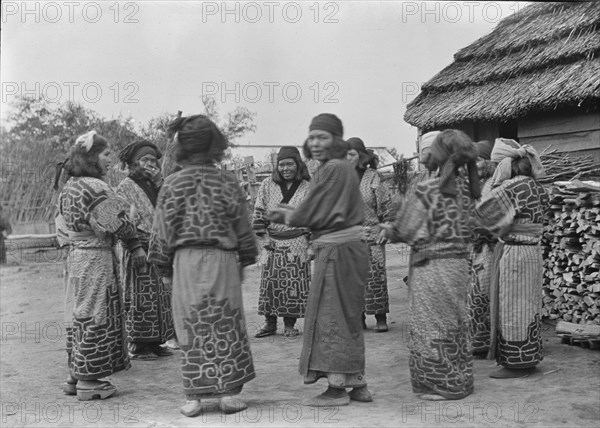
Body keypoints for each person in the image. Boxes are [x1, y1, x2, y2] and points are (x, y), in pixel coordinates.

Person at [148, 114, 258, 417]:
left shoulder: (171, 183)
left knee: (191, 322)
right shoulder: (226, 181)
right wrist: (246, 257)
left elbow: (161, 230)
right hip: (222, 260)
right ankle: (228, 393)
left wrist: (163, 267)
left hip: (185, 262)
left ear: (182, 147)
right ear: (215, 145)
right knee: (225, 321)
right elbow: (242, 224)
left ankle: (194, 396)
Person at [267, 113, 371, 407]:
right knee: (349, 315)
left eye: (322, 137)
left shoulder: (329, 169)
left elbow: (309, 213)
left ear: (336, 140)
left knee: (331, 316)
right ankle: (358, 384)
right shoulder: (345, 168)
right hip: (351, 247)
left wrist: (285, 214)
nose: (315, 142)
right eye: (312, 136)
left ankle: (338, 388)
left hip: (337, 250)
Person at [380, 129, 481, 401]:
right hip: (458, 266)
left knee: (431, 324)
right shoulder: (468, 190)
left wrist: (387, 229)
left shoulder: (428, 189)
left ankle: (443, 385)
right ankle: (460, 380)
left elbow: (405, 229)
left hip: (432, 267)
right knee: (454, 321)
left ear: (438, 153)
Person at [54, 130, 144, 401]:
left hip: (77, 257)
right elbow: (117, 222)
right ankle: (90, 380)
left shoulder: (68, 186)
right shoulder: (96, 187)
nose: (110, 160)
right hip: (96, 258)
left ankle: (75, 374)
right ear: (92, 157)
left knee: (81, 313)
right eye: (106, 155)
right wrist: (135, 244)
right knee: (98, 313)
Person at [474, 138, 549, 378]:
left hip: (515, 253)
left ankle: (515, 363)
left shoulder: (511, 188)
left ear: (507, 165)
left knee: (512, 306)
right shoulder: (538, 187)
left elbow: (484, 215)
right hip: (533, 253)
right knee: (529, 306)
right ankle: (530, 357)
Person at [116, 140, 176, 360]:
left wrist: (160, 182)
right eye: (145, 160)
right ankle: (138, 344)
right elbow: (122, 218)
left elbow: (170, 207)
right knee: (141, 296)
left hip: (159, 247)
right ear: (134, 163)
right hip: (139, 247)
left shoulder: (157, 184)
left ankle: (156, 341)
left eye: (153, 160)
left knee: (160, 296)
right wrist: (133, 247)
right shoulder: (125, 186)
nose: (150, 164)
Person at [252, 146, 312, 338]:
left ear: (298, 164)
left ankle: (289, 323)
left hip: (297, 241)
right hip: (273, 241)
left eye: (290, 164)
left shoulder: (307, 186)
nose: (285, 168)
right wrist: (265, 238)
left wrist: (312, 244)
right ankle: (270, 324)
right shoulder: (267, 185)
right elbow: (259, 211)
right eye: (282, 165)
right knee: (270, 283)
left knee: (293, 284)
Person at [346, 137, 392, 332]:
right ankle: (359, 318)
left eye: (352, 154)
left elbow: (387, 208)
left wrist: (385, 228)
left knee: (375, 277)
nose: (347, 158)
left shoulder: (373, 177)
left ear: (361, 156)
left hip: (372, 235)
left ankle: (380, 317)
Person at [467, 140, 497, 357]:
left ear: (488, 161)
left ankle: (487, 342)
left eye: (478, 160)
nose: (474, 165)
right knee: (472, 294)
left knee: (484, 294)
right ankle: (477, 342)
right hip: (474, 247)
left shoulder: (495, 184)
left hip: (489, 247)